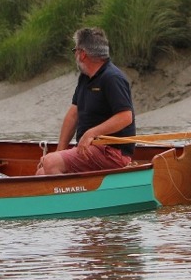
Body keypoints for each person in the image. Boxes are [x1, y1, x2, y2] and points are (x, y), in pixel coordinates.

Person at [37, 27, 136, 175]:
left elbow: (126, 116)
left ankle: (70, 197)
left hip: (112, 152)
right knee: (42, 172)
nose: (75, 54)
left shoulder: (112, 78)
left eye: (75, 50)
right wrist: (60, 150)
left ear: (82, 54)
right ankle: (71, 194)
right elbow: (73, 115)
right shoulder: (85, 78)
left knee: (50, 162)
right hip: (89, 150)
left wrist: (92, 133)